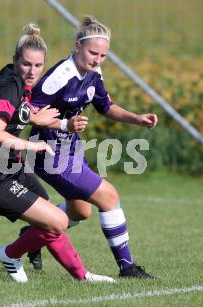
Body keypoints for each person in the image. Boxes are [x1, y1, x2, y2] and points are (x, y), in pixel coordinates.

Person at [0, 23, 114, 283]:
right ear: (15, 61)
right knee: (58, 220)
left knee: (50, 221)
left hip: (12, 169)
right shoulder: (9, 85)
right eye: (26, 64)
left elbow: (24, 115)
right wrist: (33, 145)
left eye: (38, 66)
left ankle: (82, 276)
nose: (32, 71)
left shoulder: (21, 83)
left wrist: (61, 124)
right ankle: (9, 254)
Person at [26, 16, 158, 278]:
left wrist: (136, 118)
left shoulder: (94, 73)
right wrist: (64, 124)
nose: (97, 59)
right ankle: (127, 267)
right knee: (108, 196)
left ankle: (31, 237)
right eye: (93, 53)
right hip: (48, 152)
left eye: (103, 55)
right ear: (77, 47)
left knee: (80, 211)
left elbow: (105, 106)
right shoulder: (59, 77)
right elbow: (30, 111)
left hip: (70, 150)